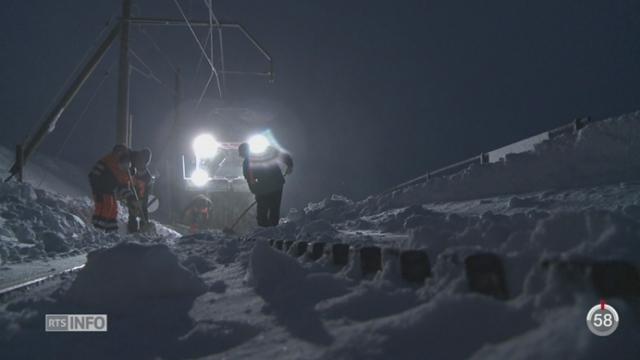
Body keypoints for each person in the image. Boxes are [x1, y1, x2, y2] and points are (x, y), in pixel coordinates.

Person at [239, 143, 293, 227]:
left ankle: (268, 232)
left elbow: (251, 181)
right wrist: (290, 165)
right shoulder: (263, 153)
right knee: (272, 210)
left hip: (272, 185)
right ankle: (270, 230)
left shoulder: (248, 162)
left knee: (265, 212)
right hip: (274, 185)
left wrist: (256, 191)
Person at [88, 144, 134, 232]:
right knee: (105, 207)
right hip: (101, 190)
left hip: (109, 191)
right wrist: (97, 190)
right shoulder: (106, 162)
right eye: (119, 152)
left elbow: (123, 186)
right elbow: (93, 175)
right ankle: (97, 229)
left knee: (113, 209)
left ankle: (111, 231)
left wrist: (129, 195)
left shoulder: (121, 168)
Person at [127, 148, 154, 233]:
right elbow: (127, 152)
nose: (138, 162)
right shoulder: (133, 163)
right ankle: (132, 231)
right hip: (131, 193)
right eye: (138, 160)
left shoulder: (147, 178)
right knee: (132, 212)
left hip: (141, 196)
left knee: (143, 210)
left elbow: (144, 192)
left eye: (141, 162)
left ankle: (143, 228)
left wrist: (140, 200)